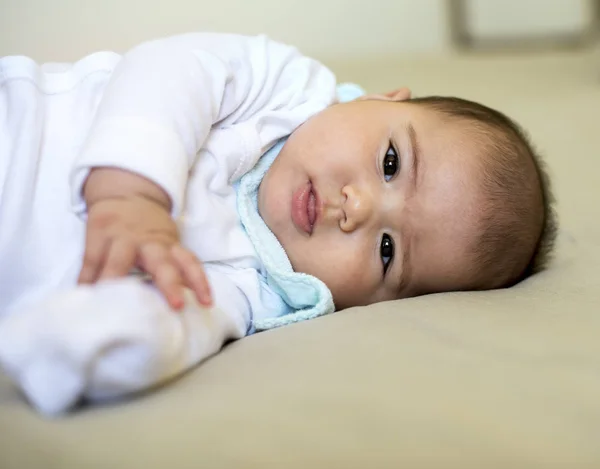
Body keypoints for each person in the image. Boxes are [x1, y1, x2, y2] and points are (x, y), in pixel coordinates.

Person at [0, 32, 556, 415]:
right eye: (390, 163)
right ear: (381, 99)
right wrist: (131, 193)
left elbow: (177, 322)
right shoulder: (285, 89)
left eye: (388, 251)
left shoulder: (263, 293)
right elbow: (171, 68)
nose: (356, 209)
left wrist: (88, 344)